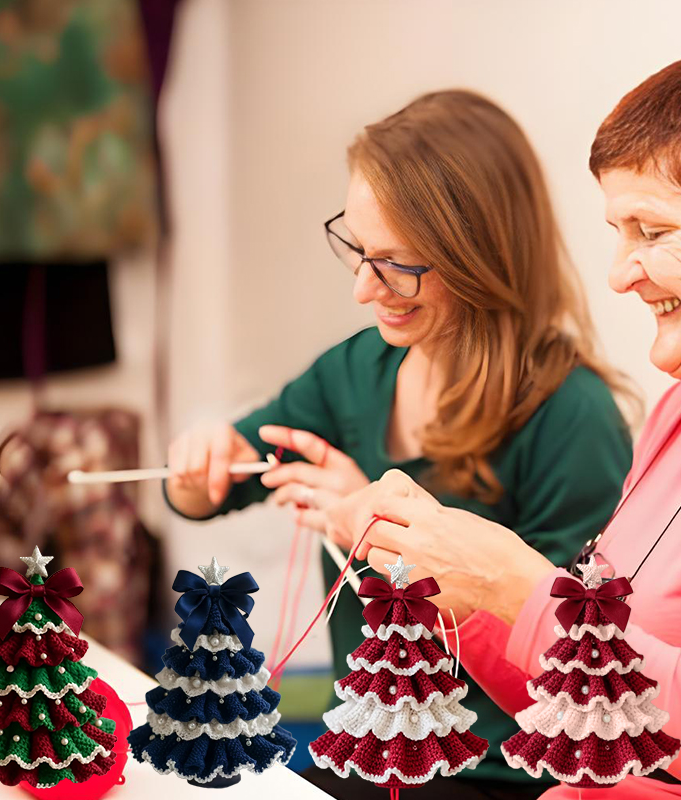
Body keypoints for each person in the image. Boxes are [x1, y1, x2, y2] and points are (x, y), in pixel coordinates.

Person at [165, 90, 634, 799]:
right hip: (368, 754)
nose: (363, 288)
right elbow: (217, 482)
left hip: (501, 771)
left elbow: (571, 664)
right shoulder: (355, 372)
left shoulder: (572, 417)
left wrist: (371, 525)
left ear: (479, 256)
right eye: (358, 249)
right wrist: (196, 467)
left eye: (396, 263)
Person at [326, 49, 681, 800]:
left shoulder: (576, 409)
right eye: (619, 231)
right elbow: (581, 707)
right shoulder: (679, 412)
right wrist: (460, 591)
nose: (619, 273)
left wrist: (523, 590)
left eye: (651, 232)